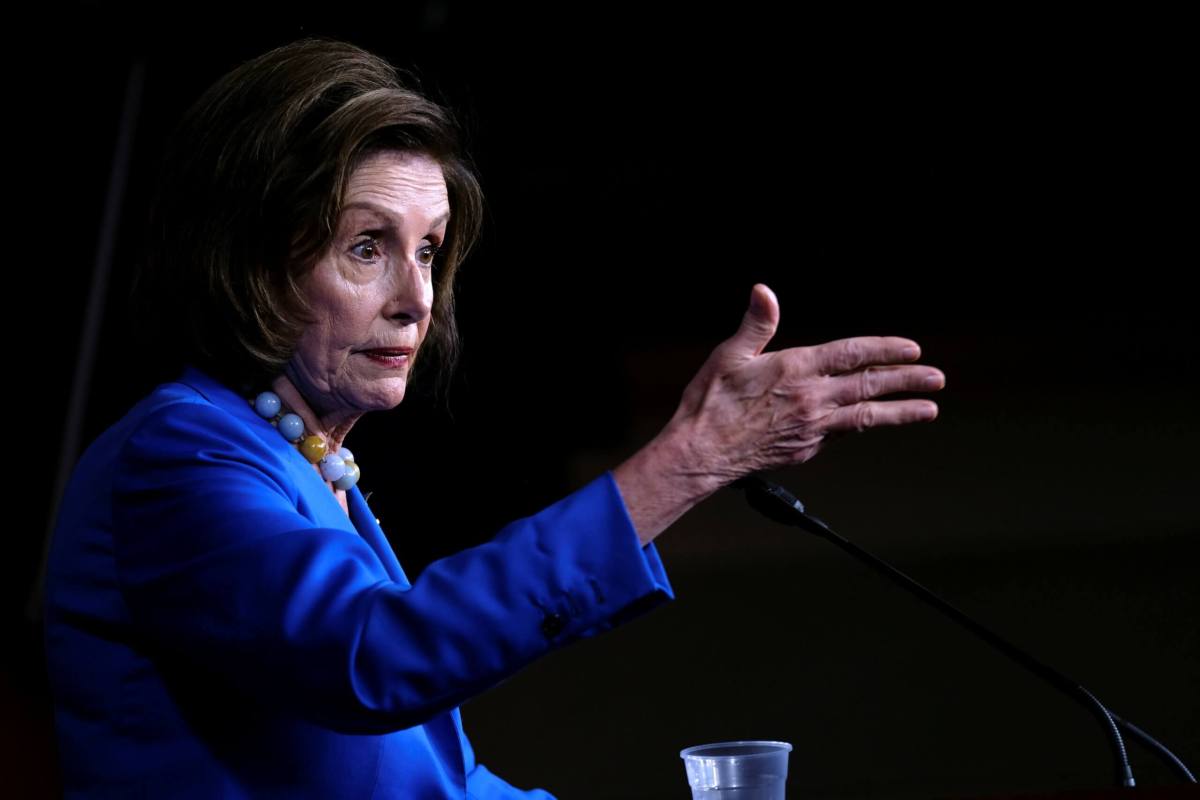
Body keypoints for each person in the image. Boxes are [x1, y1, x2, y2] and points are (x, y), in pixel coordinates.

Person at [41, 37, 946, 799]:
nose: (415, 299)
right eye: (368, 247)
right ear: (249, 263)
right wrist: (688, 460)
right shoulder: (178, 460)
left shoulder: (302, 465)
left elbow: (438, 787)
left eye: (428, 250)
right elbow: (376, 656)